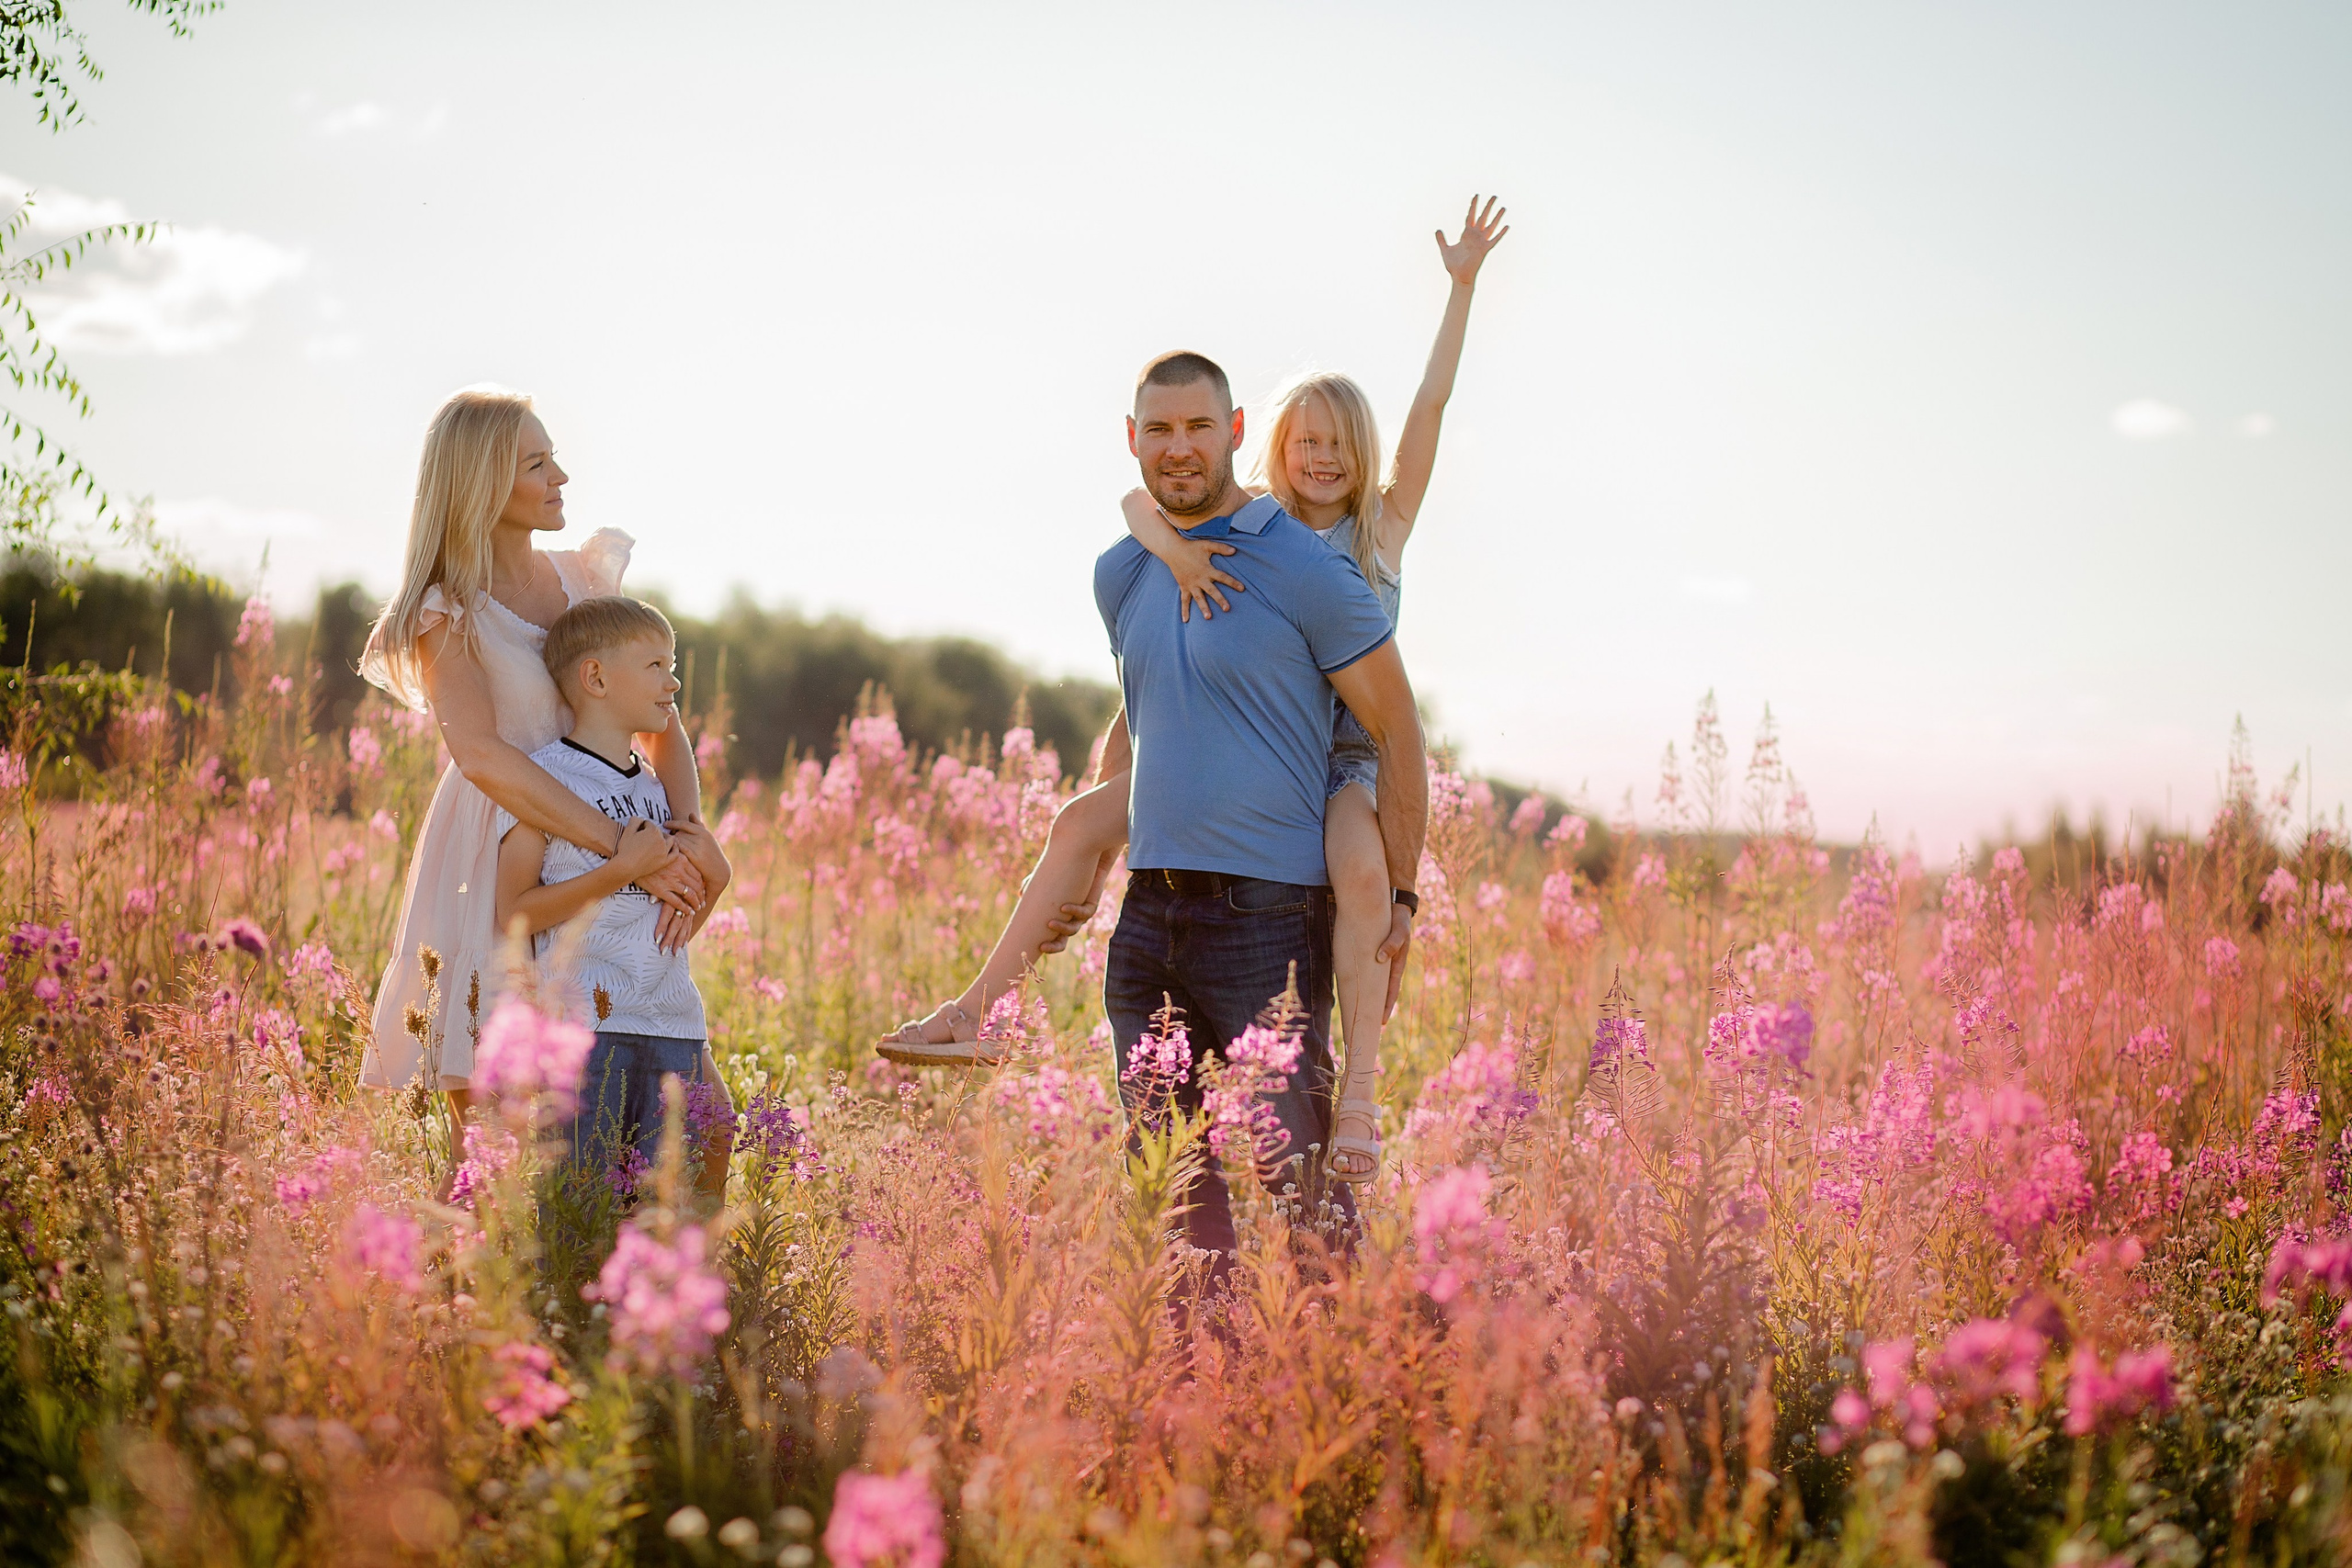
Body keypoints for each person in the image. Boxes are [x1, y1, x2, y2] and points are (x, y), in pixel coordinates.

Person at [877, 197, 1505, 1183]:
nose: (1325, 457)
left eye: (1342, 441)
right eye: (1306, 442)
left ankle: (1363, 1097)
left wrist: (1459, 290)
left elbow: (1428, 410)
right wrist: (1171, 554)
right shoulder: (1220, 542)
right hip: (1174, 876)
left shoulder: (1357, 545)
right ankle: (980, 1009)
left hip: (1336, 764)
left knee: (1366, 887)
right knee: (1080, 825)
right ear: (1271, 449)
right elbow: (1147, 640)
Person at [1104, 350, 1424, 1268]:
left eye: (1199, 426)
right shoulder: (1131, 570)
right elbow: (1142, 702)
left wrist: (1401, 895)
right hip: (1149, 914)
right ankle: (1198, 1378)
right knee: (1168, 1182)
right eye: (1158, 430)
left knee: (1303, 1185)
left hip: (1271, 901)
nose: (1178, 447)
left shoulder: (1325, 563)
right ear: (1131, 438)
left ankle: (1332, 1379)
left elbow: (1396, 726)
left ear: (1235, 431)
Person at [359, 387, 722, 1171]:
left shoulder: (586, 578)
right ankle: (481, 1291)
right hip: (504, 839)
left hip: (622, 837)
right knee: (496, 1136)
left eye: (553, 455)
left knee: (702, 1119)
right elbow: (481, 753)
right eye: (537, 462)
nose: (561, 474)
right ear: (484, 483)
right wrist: (627, 852)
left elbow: (661, 717)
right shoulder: (446, 608)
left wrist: (688, 841)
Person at [492, 595, 734, 1199]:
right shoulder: (546, 781)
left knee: (660, 1206)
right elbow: (514, 913)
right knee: (584, 1201)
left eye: (671, 664)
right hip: (588, 1032)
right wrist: (615, 870)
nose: (673, 681)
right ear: (596, 677)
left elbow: (675, 925)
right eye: (656, 665)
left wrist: (716, 882)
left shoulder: (658, 789)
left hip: (673, 1024)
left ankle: (698, 1285)